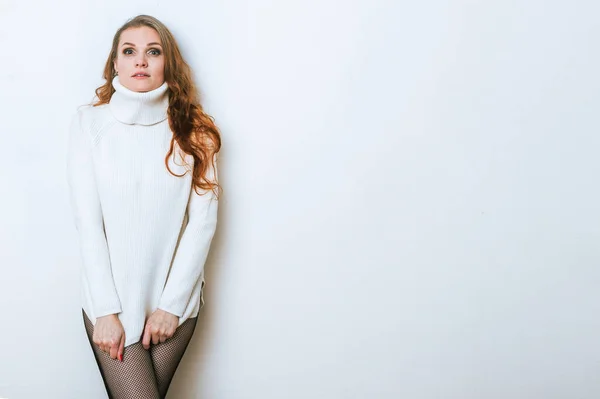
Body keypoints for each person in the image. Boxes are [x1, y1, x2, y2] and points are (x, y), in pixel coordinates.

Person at [66, 14, 221, 399]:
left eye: (153, 52)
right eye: (129, 51)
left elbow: (202, 223)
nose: (140, 61)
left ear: (167, 61)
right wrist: (105, 311)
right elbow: (88, 222)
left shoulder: (195, 132)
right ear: (115, 63)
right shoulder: (89, 124)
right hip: (110, 304)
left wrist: (170, 307)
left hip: (176, 301)